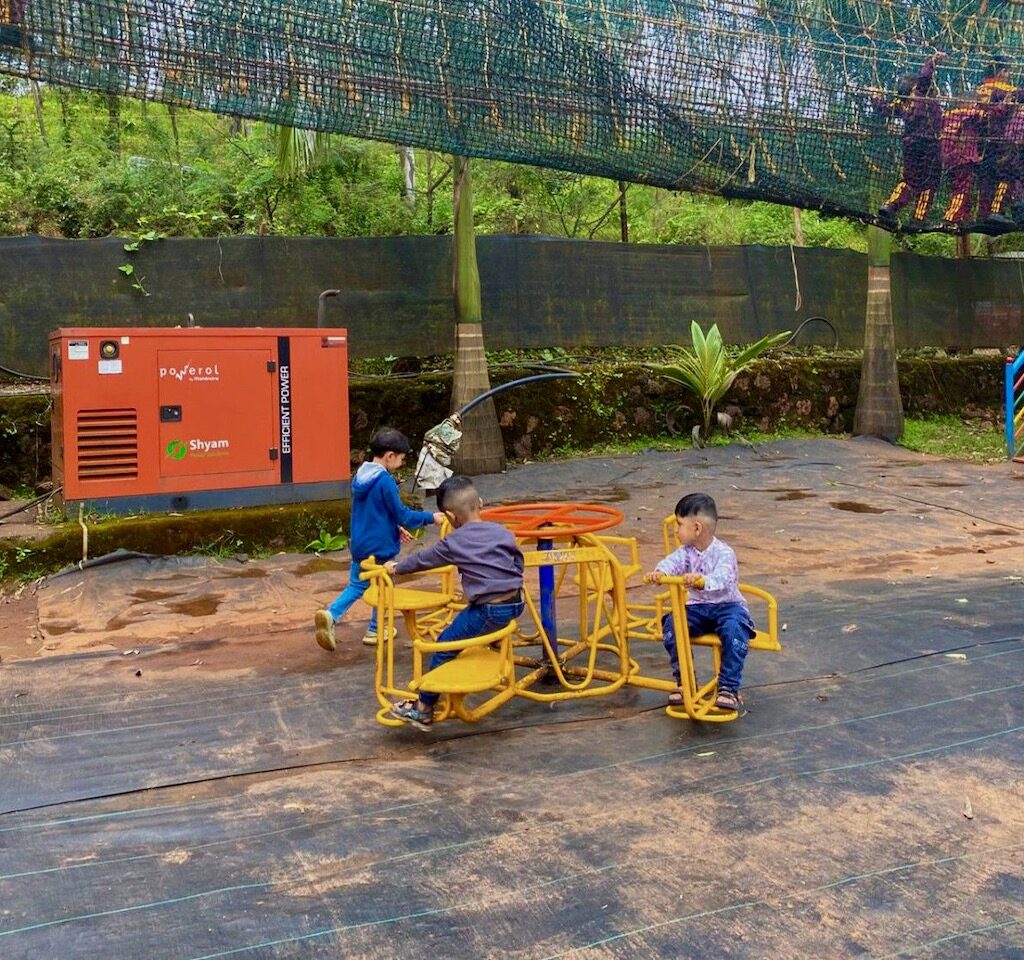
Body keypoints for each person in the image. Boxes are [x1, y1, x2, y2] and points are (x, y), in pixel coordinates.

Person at [386, 475, 525, 731]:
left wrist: (396, 567)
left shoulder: (455, 542)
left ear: (450, 516)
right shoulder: (502, 532)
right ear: (480, 503)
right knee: (473, 617)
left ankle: (423, 708)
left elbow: (423, 559)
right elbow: (518, 561)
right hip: (517, 602)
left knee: (444, 645)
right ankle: (493, 642)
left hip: (490, 609)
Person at [313, 428, 444, 651]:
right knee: (384, 585)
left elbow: (376, 511)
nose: (402, 463)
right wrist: (431, 518)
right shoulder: (385, 481)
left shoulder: (360, 476)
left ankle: (332, 615)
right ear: (390, 456)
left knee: (357, 584)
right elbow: (403, 514)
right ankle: (375, 628)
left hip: (361, 543)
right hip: (380, 547)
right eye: (401, 458)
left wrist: (394, 527)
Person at [643, 493, 755, 712]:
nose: (676, 530)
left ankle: (728, 687)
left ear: (696, 528)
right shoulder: (686, 552)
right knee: (673, 625)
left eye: (679, 524)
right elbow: (671, 563)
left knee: (735, 630)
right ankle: (684, 680)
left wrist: (702, 581)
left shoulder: (724, 552)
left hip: (727, 606)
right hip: (697, 608)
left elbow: (724, 577)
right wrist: (660, 572)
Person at [874, 54, 946, 228]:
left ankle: (890, 205)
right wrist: (932, 61)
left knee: (910, 180)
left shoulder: (901, 104)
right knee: (929, 183)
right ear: (914, 86)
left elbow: (883, 110)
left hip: (910, 145)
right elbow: (925, 77)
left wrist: (876, 97)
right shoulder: (921, 95)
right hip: (930, 146)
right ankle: (919, 218)